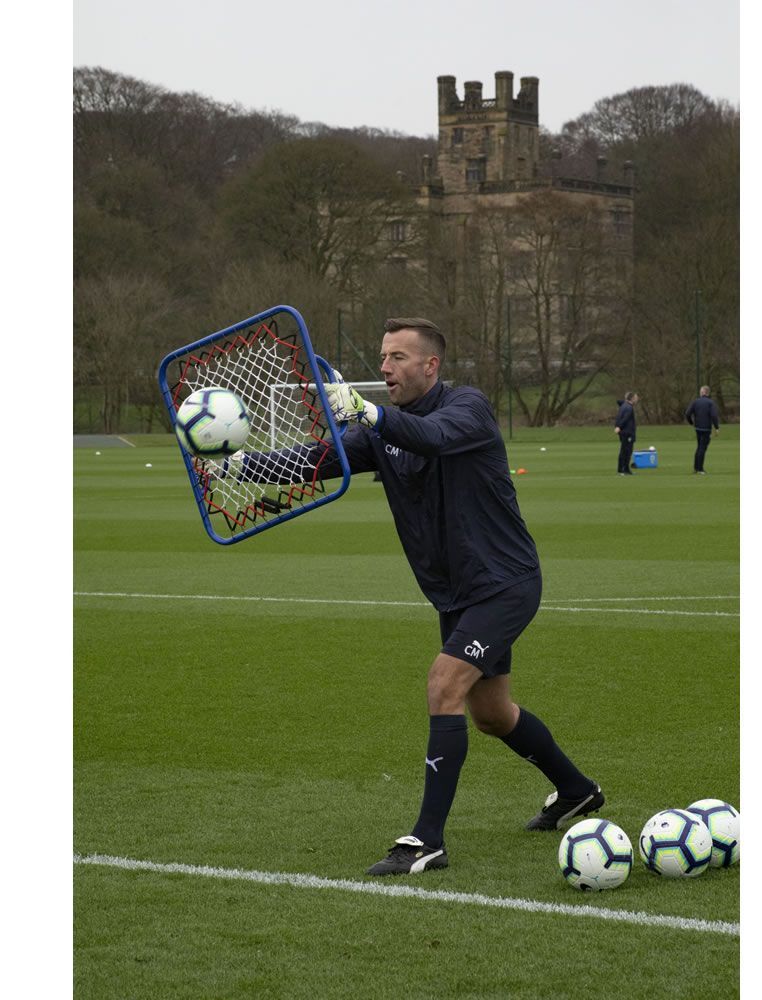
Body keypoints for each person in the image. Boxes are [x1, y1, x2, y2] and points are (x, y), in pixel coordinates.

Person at [204, 318, 604, 876]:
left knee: (443, 685)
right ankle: (577, 790)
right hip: (455, 592)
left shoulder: (468, 408)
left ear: (430, 366)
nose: (385, 368)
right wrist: (238, 466)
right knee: (490, 714)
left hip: (504, 582)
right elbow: (321, 458)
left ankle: (427, 841)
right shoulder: (382, 431)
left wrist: (370, 415)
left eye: (396, 357)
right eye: (382, 357)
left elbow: (433, 438)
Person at [684, 385, 721, 474]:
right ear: (708, 393)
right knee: (702, 448)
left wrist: (691, 423)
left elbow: (687, 413)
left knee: (699, 447)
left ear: (703, 392)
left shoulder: (695, 402)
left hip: (698, 428)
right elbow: (714, 416)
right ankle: (700, 469)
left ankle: (696, 468)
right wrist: (716, 427)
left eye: (701, 391)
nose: (700, 392)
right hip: (706, 429)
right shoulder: (710, 403)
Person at [614, 391, 639, 475]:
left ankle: (625, 469)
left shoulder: (623, 405)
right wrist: (619, 427)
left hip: (624, 432)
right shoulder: (629, 408)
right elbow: (625, 418)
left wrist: (617, 426)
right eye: (636, 397)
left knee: (625, 451)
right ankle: (623, 469)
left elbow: (618, 418)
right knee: (626, 451)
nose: (637, 399)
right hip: (627, 433)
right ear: (632, 398)